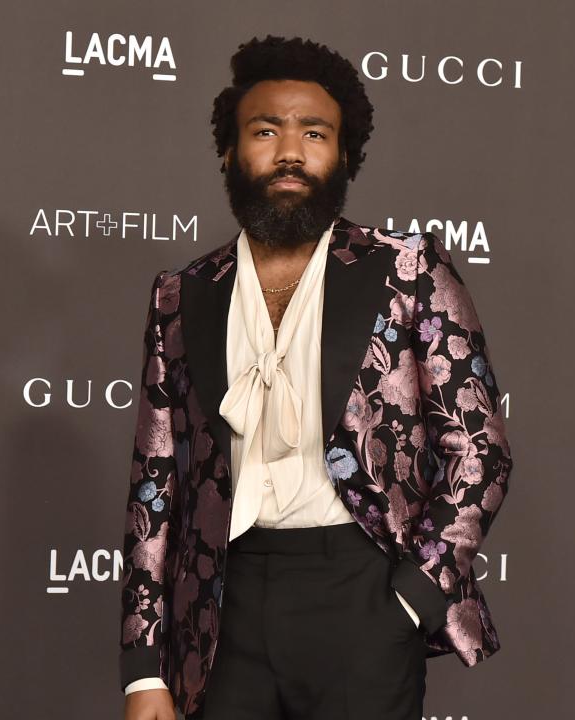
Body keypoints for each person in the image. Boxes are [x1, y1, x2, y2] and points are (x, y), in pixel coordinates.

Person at [119, 35, 514, 720]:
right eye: (266, 131)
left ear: (345, 154)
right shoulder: (181, 294)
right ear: (229, 151)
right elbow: (156, 485)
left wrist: (411, 596)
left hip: (360, 593)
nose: (290, 153)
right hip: (222, 607)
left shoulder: (408, 271)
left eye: (315, 133)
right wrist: (142, 668)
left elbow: (479, 452)